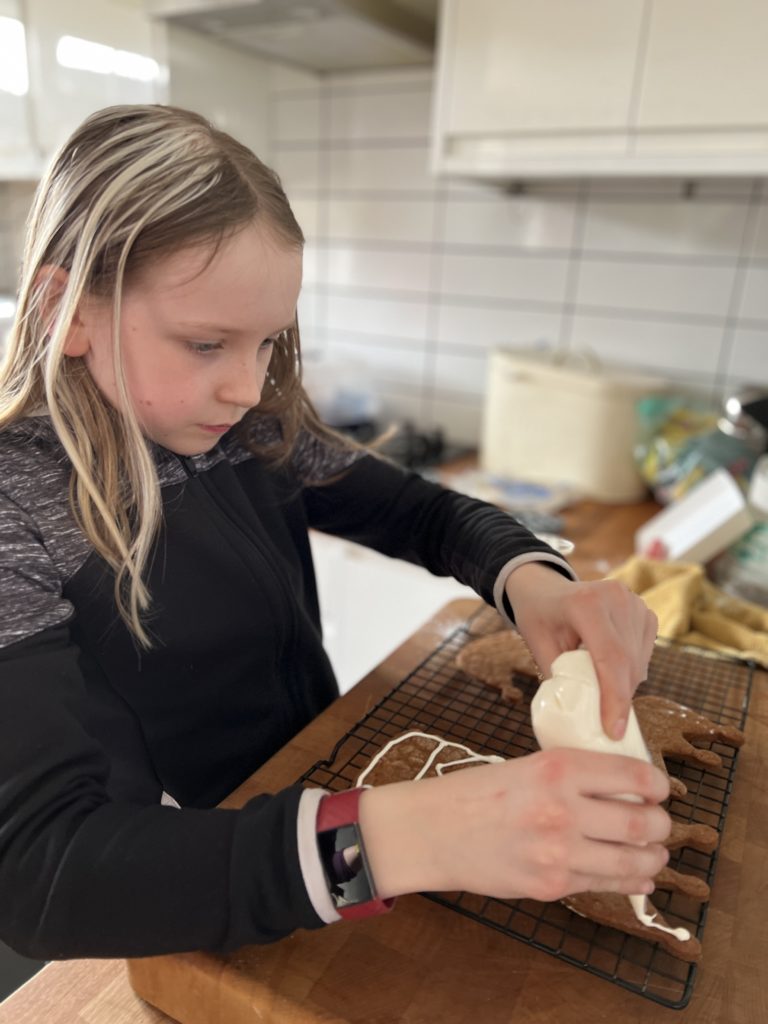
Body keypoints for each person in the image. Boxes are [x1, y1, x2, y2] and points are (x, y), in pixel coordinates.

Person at [0, 104, 669, 960]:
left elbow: (422, 512)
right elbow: (39, 874)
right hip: (191, 900)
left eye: (268, 344)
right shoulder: (17, 503)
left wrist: (529, 578)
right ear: (69, 308)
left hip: (310, 818)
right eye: (207, 343)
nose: (248, 386)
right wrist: (404, 840)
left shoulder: (252, 429)